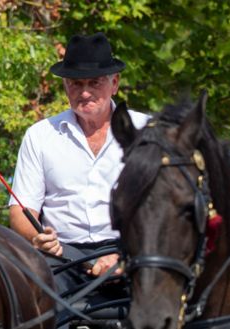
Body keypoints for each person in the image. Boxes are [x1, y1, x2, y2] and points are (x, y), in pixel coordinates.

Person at [10, 32, 149, 288]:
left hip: (133, 253)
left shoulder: (146, 131)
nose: (84, 93)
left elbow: (165, 207)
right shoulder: (40, 135)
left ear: (114, 83)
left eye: (94, 83)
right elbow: (21, 209)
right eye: (76, 84)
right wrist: (38, 238)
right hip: (60, 257)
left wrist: (127, 252)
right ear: (65, 86)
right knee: (38, 307)